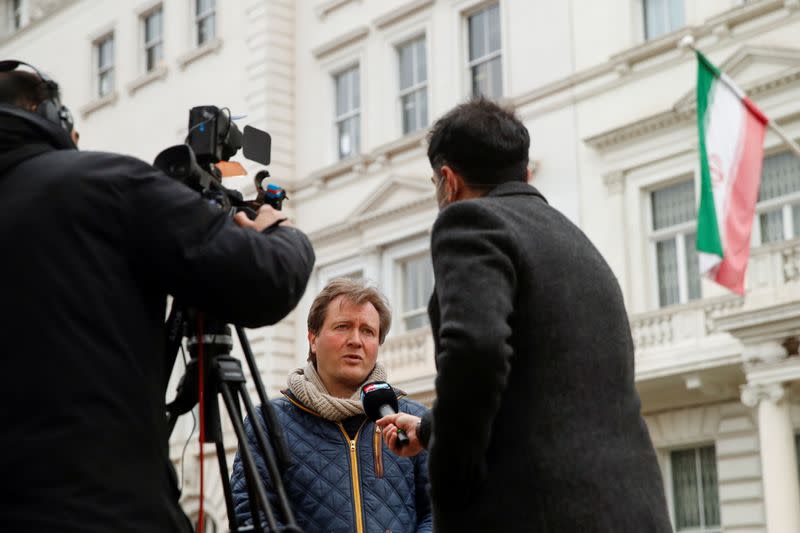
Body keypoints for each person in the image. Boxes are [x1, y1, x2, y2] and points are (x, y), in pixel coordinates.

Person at [0, 62, 315, 532]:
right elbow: (264, 282)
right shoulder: (104, 182)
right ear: (47, 113)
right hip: (98, 510)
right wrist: (281, 233)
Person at [377, 98, 673, 532]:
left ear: (448, 180)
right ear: (524, 172)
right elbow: (546, 385)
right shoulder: (574, 241)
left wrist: (451, 487)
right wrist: (427, 430)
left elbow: (476, 351)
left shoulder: (470, 222)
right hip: (634, 510)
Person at [231, 278, 432, 533]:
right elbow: (251, 517)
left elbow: (441, 512)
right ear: (313, 339)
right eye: (342, 327)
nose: (356, 340)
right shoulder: (268, 423)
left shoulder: (413, 419)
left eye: (368, 331)